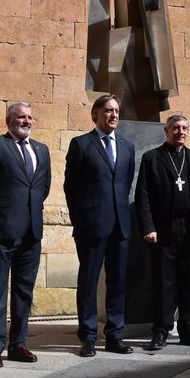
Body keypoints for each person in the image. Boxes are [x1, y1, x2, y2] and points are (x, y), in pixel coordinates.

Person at [0, 101, 52, 368]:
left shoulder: (42, 150)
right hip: (2, 231)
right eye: (20, 117)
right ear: (8, 121)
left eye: (29, 117)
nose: (26, 121)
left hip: (31, 233)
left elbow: (43, 188)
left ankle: (18, 344)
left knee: (23, 293)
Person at [135, 114, 190, 351]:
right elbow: (143, 196)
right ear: (166, 131)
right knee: (163, 282)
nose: (180, 132)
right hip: (163, 230)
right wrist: (148, 227)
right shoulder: (152, 158)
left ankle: (187, 329)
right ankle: (161, 330)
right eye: (175, 128)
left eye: (184, 128)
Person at [64, 94, 136, 357]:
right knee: (89, 281)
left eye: (116, 110)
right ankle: (88, 336)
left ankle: (115, 335)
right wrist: (80, 219)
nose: (113, 115)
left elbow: (125, 182)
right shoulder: (81, 144)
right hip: (91, 225)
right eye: (107, 110)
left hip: (120, 225)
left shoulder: (128, 147)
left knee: (117, 282)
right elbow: (70, 187)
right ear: (95, 114)